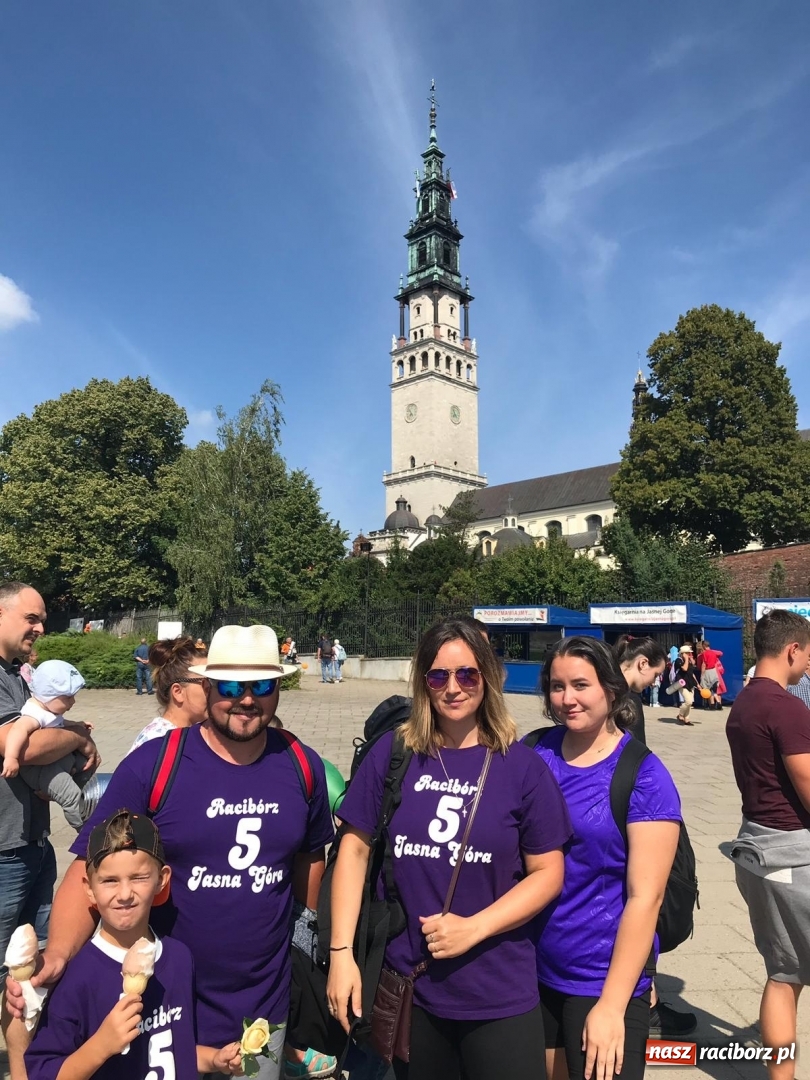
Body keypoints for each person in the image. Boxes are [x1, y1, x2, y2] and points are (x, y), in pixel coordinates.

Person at [8, 624, 334, 1080]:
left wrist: (304, 929)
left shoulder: (301, 763)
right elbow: (89, 865)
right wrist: (60, 952)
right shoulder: (154, 765)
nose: (246, 699)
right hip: (165, 1000)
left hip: (263, 1004)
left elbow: (309, 854)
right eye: (231, 687)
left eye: (261, 686)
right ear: (207, 687)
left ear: (278, 688)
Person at [327, 617, 570, 1080]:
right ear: (422, 682)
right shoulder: (394, 754)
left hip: (498, 991)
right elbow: (354, 851)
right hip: (412, 989)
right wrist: (341, 955)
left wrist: (475, 928)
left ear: (487, 678)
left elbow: (548, 873)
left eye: (467, 675)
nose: (452, 688)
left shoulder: (520, 766)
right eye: (438, 676)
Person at [532, 637, 681, 1080]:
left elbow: (645, 899)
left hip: (601, 978)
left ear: (611, 690)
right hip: (528, 969)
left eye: (581, 684)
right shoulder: (533, 752)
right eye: (557, 686)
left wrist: (612, 1005)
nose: (567, 698)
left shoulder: (644, 776)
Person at [25, 809, 242, 1080]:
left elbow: (175, 1051)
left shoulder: (179, 958)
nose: (125, 894)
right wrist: (100, 1046)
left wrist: (214, 1059)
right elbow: (43, 1073)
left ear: (162, 880)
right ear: (89, 889)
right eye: (110, 881)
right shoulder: (78, 978)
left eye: (138, 878)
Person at [0, 582, 101, 1080]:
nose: (40, 628)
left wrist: (69, 735)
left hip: (32, 842)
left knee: (29, 975)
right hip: (2, 853)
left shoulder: (21, 675)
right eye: (31, 618)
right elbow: (18, 746)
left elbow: (43, 728)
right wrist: (78, 734)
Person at [726, 609, 810, 1080]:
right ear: (792, 649)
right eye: (809, 655)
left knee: (785, 973)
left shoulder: (744, 702)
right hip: (795, 853)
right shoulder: (787, 707)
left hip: (756, 843)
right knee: (787, 972)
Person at [613, 635, 697, 1039]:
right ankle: (643, 1005)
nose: (653, 684)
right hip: (629, 818)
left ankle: (643, 997)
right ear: (641, 663)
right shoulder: (627, 701)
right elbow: (635, 763)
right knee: (643, 905)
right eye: (656, 675)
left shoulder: (611, 690)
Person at [1, 659, 97, 832]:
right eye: (67, 698)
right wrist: (11, 757)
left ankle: (84, 793)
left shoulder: (48, 710)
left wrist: (77, 724)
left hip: (56, 762)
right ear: (48, 695)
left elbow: (59, 722)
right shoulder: (33, 714)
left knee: (87, 765)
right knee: (71, 797)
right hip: (41, 771)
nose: (72, 702)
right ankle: (86, 832)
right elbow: (17, 731)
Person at [128, 637, 209, 752]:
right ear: (178, 692)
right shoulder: (157, 745)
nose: (216, 692)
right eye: (208, 683)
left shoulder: (186, 734)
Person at [613, 635, 667, 746]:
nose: (653, 682)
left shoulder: (600, 688)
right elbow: (637, 751)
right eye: (655, 675)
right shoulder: (630, 701)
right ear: (643, 664)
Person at [673, 645, 700, 726]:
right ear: (683, 653)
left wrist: (697, 684)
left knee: (690, 702)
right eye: (688, 653)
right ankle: (680, 714)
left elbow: (691, 673)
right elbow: (684, 668)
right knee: (688, 701)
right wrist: (687, 659)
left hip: (690, 683)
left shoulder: (689, 662)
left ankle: (687, 719)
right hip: (682, 684)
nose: (690, 655)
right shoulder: (679, 660)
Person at [697, 639, 724, 710]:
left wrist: (702, 675)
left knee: (708, 688)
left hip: (708, 671)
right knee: (714, 689)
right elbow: (720, 654)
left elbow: (704, 664)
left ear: (704, 646)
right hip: (714, 671)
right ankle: (718, 703)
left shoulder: (705, 654)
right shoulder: (713, 653)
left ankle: (712, 704)